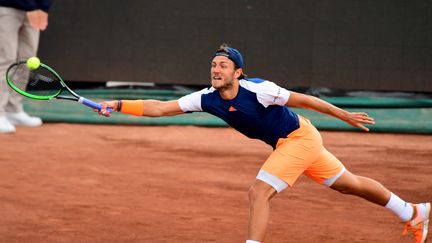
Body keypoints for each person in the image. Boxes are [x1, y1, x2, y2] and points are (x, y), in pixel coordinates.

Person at [97, 44, 430, 243]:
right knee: (349, 184)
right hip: (294, 142)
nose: (215, 69)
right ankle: (413, 211)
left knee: (258, 192)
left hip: (299, 138)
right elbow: (162, 107)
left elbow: (307, 100)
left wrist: (344, 115)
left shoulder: (261, 89)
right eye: (213, 64)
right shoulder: (207, 98)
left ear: (238, 72)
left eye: (223, 65)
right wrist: (119, 103)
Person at [0, 0, 54, 133]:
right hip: (6, 7)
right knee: (5, 60)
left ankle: (13, 110)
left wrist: (43, 8)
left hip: (35, 11)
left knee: (27, 60)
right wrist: (31, 7)